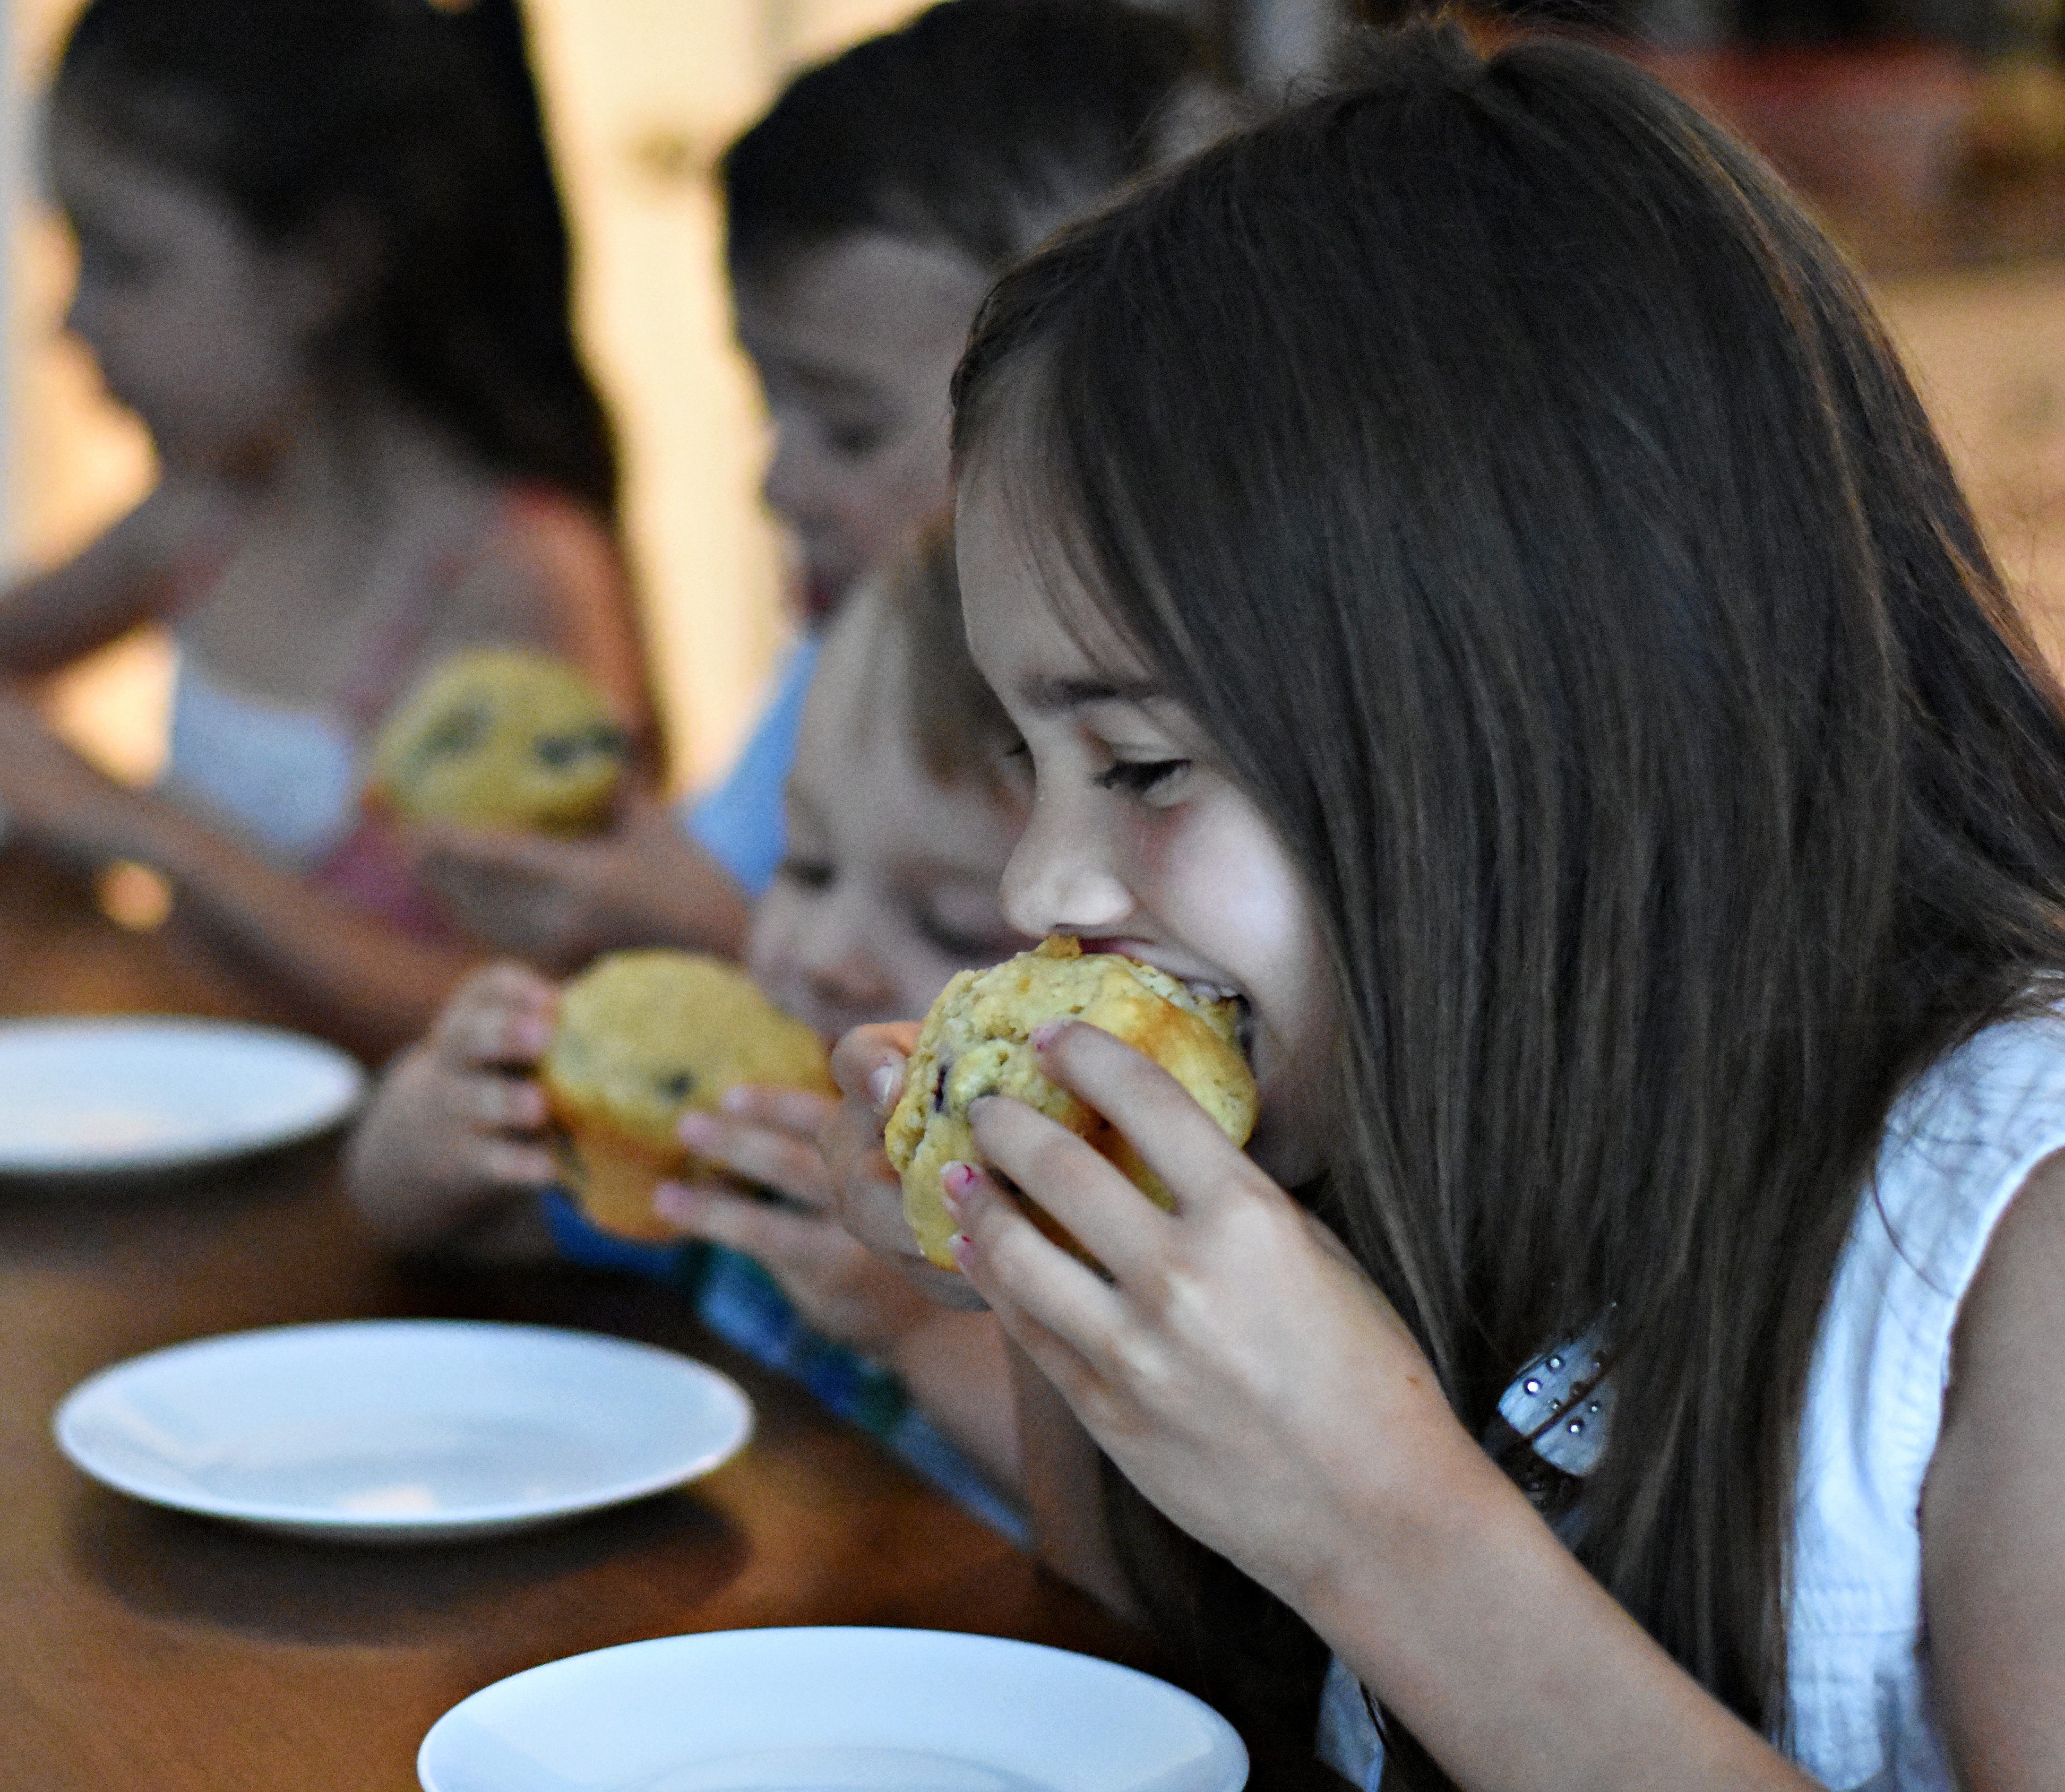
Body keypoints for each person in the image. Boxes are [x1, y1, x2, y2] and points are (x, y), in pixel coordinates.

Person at [820, 25, 2065, 1790]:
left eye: (1146, 767)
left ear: (1538, 718)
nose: (1042, 885)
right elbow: (1162, 1710)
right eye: (1033, 758)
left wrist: (1381, 1523)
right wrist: (1071, 1302)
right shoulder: (1413, 1103)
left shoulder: (2016, 1238)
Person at [0, 0, 653, 1060]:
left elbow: (550, 1018)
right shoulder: (208, 518)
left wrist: (141, 825)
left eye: (126, 262)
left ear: (324, 269)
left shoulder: (517, 574)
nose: (70, 324)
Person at [408, 0, 1229, 973]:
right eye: (768, 406)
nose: (779, 485)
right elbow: (720, 867)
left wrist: (701, 925)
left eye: (852, 428)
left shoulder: (1177, 750)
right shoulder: (836, 659)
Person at [348, 532, 1034, 1527]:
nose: (827, 950)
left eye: (949, 925)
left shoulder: (1075, 1221)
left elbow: (1151, 1559)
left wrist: (915, 1327)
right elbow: (472, 1230)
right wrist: (434, 1131)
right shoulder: (748, 1144)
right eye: (805, 867)